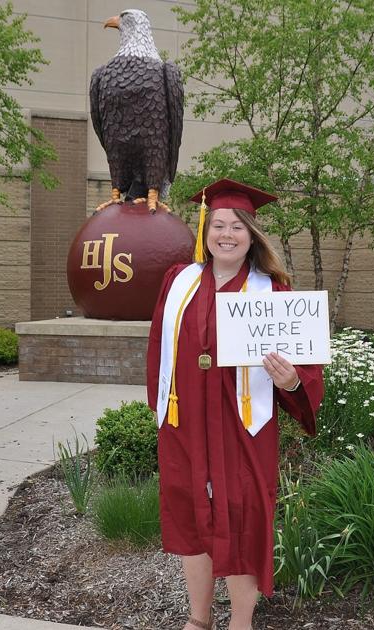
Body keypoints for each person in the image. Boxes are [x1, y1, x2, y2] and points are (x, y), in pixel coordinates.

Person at [147, 179, 324, 630]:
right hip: (185, 424)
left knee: (242, 518)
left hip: (243, 426)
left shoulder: (274, 294)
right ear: (205, 231)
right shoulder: (179, 282)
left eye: (237, 227)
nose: (226, 234)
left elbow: (303, 368)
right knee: (191, 516)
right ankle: (198, 619)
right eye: (218, 225)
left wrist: (291, 382)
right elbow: (157, 349)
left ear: (252, 236)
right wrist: (159, 407)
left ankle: (240, 624)